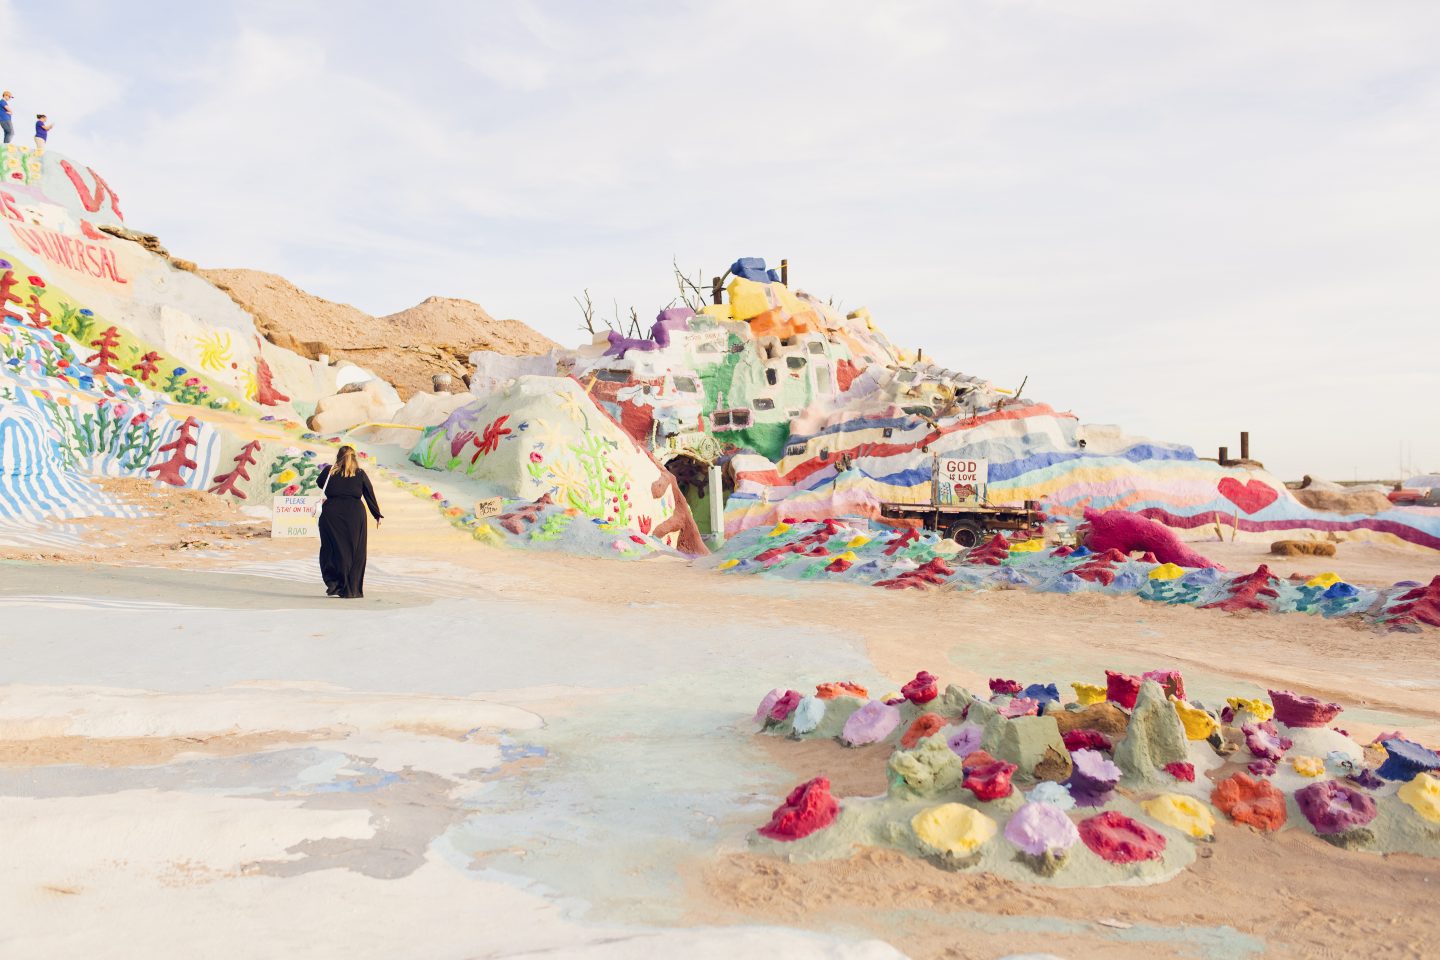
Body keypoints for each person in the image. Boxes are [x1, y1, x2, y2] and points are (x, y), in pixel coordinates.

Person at [315, 445, 383, 598]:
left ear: (338, 456)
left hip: (331, 514)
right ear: (354, 457)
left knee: (331, 549)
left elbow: (320, 484)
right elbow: (369, 494)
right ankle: (350, 588)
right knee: (354, 552)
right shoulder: (360, 474)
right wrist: (376, 514)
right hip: (355, 515)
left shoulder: (328, 471)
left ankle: (334, 583)